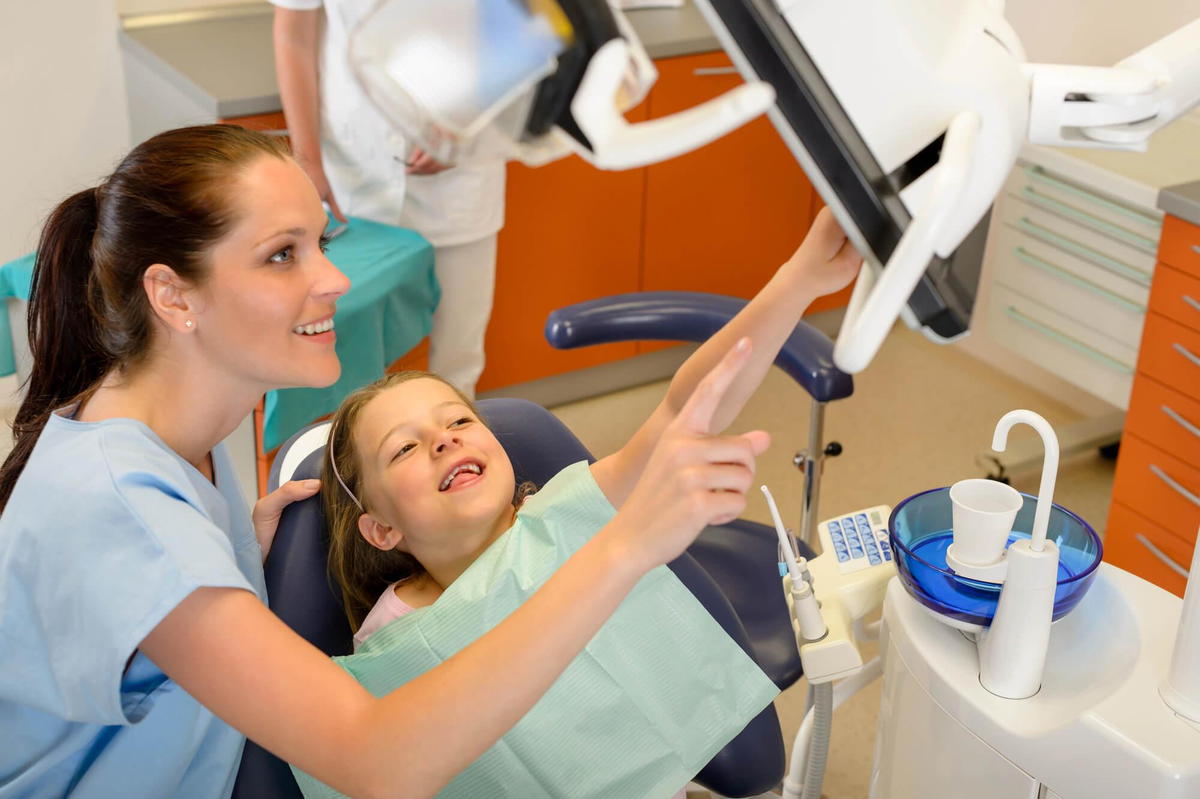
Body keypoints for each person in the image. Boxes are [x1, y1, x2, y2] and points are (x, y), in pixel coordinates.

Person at [0, 124, 784, 799]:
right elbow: (378, 757)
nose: (334, 280)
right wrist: (623, 546)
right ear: (173, 296)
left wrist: (226, 552)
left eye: (320, 243)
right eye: (282, 256)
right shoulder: (126, 508)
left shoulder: (182, 424)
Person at [322, 206, 860, 662]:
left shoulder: (561, 517)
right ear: (381, 529)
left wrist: (802, 278)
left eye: (460, 420)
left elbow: (683, 408)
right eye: (406, 447)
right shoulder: (395, 640)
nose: (445, 439)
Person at [272, 0, 505, 398]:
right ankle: (356, 457)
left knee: (458, 358)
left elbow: (525, 31)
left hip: (459, 179)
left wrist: (469, 120)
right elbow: (295, 34)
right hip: (350, 175)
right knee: (346, 360)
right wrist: (308, 162)